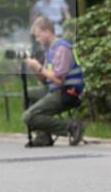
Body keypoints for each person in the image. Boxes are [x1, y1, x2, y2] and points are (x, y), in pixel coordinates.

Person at [22, 16, 85, 146]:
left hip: (68, 92)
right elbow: (45, 80)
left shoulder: (62, 48)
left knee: (28, 117)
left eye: (38, 36)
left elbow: (58, 80)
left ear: (47, 31)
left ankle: (71, 127)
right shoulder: (50, 50)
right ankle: (43, 135)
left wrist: (39, 67)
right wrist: (34, 68)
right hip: (56, 89)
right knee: (27, 93)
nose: (37, 40)